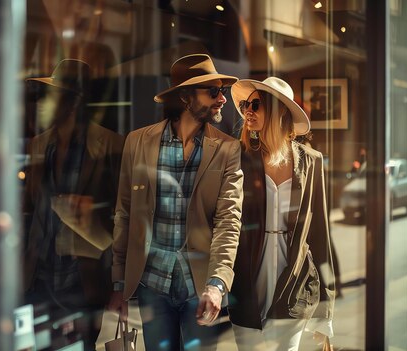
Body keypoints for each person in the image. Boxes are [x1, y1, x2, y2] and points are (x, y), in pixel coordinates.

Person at [108, 54, 244, 351]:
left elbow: (229, 221)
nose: (222, 99)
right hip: (151, 285)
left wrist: (218, 283)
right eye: (213, 91)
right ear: (185, 96)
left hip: (201, 288)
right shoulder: (137, 142)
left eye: (222, 91)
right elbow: (124, 214)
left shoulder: (227, 149)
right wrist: (119, 285)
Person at [228, 77, 336, 350]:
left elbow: (320, 233)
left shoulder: (311, 161)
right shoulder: (238, 156)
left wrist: (326, 310)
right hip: (248, 278)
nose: (247, 111)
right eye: (244, 105)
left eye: (256, 104)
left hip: (295, 280)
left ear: (278, 112)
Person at [22, 59, 123, 348]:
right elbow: (29, 208)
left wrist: (119, 286)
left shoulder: (111, 146)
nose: (42, 103)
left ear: (74, 101)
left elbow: (121, 218)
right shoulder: (39, 145)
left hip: (83, 281)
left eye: (50, 95)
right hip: (39, 277)